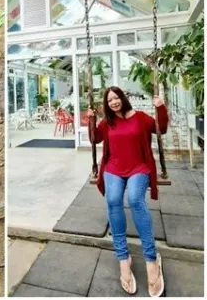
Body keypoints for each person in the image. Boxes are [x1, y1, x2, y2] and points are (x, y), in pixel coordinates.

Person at [88, 86, 167, 297]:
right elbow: (95, 139)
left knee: (134, 199)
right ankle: (124, 259)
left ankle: (151, 259)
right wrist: (91, 120)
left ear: (123, 98)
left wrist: (160, 108)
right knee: (113, 199)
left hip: (138, 168)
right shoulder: (108, 123)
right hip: (113, 168)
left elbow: (161, 129)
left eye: (116, 98)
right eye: (110, 100)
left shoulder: (140, 118)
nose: (114, 102)